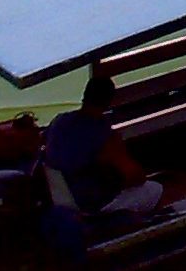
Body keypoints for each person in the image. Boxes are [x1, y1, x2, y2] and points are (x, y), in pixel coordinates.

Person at [42, 74, 162, 218]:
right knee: (155, 189)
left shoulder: (59, 121)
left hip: (59, 198)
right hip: (92, 204)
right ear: (109, 101)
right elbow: (134, 176)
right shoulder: (102, 133)